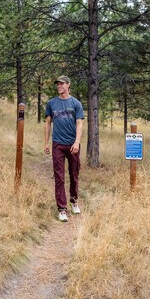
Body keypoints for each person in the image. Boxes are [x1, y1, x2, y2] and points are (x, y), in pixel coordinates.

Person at [44, 75, 85, 222]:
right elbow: (48, 123)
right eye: (57, 84)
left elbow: (79, 123)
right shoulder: (51, 104)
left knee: (74, 174)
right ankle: (62, 209)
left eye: (61, 84)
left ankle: (74, 201)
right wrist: (46, 143)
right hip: (58, 144)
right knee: (59, 176)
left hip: (73, 145)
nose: (59, 86)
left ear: (68, 85)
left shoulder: (76, 103)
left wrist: (77, 142)